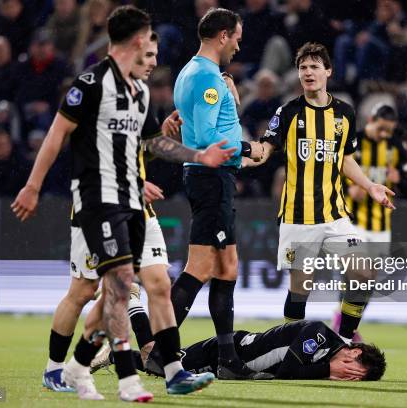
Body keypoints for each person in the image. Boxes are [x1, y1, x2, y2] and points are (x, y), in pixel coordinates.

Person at [11, 6, 235, 402]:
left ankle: (169, 371)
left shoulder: (139, 91)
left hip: (134, 202)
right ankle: (92, 374)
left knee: (156, 285)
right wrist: (32, 186)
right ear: (135, 39)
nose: (151, 50)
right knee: (91, 290)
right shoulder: (90, 84)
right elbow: (56, 134)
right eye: (146, 39)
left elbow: (151, 143)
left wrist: (198, 156)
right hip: (96, 204)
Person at [244, 42, 395, 346]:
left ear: (328, 71)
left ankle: (344, 340)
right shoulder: (288, 112)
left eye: (314, 66)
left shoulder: (345, 114)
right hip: (297, 217)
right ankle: (288, 348)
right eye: (303, 67)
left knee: (363, 272)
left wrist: (370, 186)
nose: (308, 72)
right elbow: (266, 149)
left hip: (334, 214)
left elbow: (345, 159)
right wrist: (247, 151)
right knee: (301, 290)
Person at [171, 8, 267, 381]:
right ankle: (156, 349)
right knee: (200, 268)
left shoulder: (192, 73)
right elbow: (207, 136)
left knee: (228, 268)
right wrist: (247, 149)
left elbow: (192, 128)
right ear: (223, 35)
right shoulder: (208, 79)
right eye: (237, 38)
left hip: (212, 178)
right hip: (211, 177)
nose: (239, 46)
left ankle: (228, 358)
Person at [110, 320, 385, 382]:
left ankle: (112, 354)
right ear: (355, 352)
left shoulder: (327, 358)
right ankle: (133, 303)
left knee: (157, 366)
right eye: (354, 371)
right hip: (223, 352)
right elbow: (289, 372)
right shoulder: (320, 333)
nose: (348, 375)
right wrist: (327, 370)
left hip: (235, 367)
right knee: (157, 362)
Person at [344, 104, 407, 243]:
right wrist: (347, 190)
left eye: (389, 131)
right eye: (381, 128)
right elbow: (329, 175)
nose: (384, 134)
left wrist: (399, 180)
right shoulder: (352, 141)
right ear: (370, 120)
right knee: (356, 265)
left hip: (382, 227)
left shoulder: (397, 146)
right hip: (351, 223)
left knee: (375, 266)